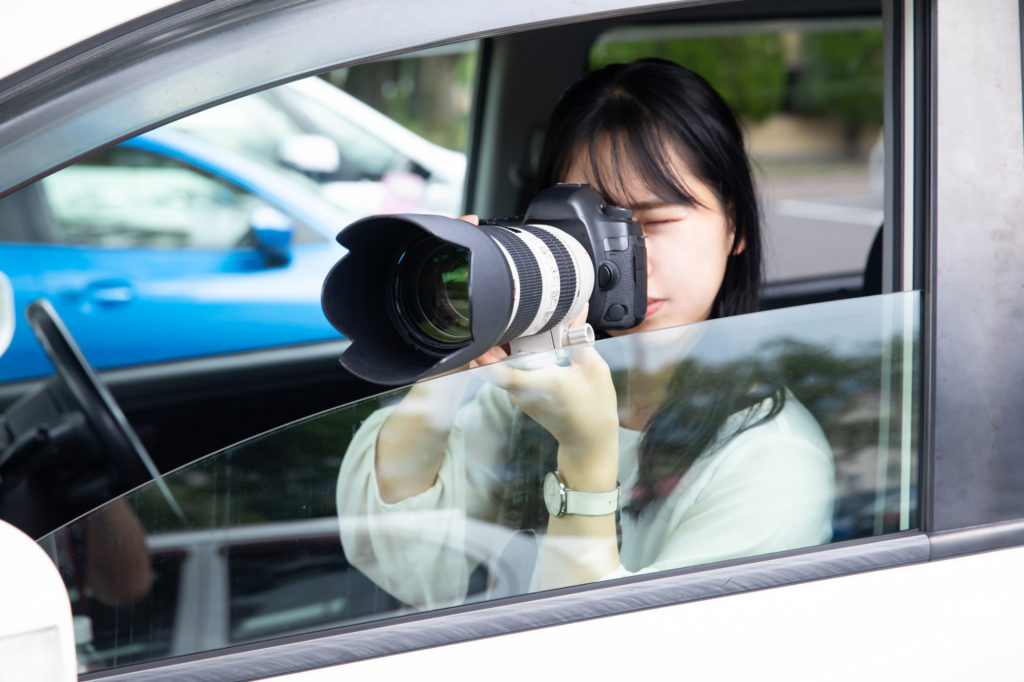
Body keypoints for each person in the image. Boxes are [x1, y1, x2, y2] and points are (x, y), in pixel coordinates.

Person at [336, 58, 834, 609]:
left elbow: (610, 655)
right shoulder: (536, 393)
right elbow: (407, 558)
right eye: (593, 229)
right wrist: (452, 334)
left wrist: (587, 454)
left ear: (735, 227)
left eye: (655, 222)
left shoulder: (771, 460)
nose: (624, 261)